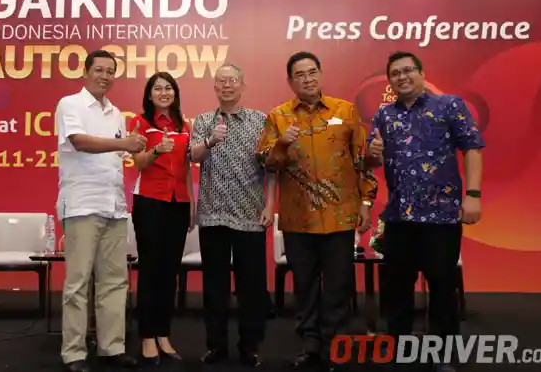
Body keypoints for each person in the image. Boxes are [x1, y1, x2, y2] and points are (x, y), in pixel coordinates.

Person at [257, 51, 378, 371]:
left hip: (340, 214)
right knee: (306, 285)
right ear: (290, 81)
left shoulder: (345, 111)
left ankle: (335, 344)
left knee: (339, 284)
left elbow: (362, 161)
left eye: (312, 72)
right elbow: (267, 164)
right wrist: (281, 144)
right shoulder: (279, 116)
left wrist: (366, 202)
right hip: (298, 218)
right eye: (300, 75)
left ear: (320, 74)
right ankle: (310, 345)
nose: (307, 79)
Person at [367, 51, 484, 372]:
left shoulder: (449, 105)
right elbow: (372, 162)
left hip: (441, 216)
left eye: (408, 70)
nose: (402, 77)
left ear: (421, 73)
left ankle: (442, 354)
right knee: (396, 289)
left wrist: (473, 195)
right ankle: (398, 350)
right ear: (389, 81)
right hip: (398, 217)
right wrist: (373, 154)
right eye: (395, 73)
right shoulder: (384, 115)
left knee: (442, 287)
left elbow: (472, 148)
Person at [55, 50, 146, 372]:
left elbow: (121, 157)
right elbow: (79, 142)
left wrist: (144, 151)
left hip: (114, 206)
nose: (105, 76)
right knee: (78, 283)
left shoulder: (116, 113)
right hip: (82, 203)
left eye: (110, 71)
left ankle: (112, 347)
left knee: (115, 281)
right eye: (99, 70)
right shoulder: (70, 104)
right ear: (86, 71)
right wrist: (124, 144)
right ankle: (74, 353)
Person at [189, 64, 275, 367]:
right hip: (213, 214)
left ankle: (250, 346)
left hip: (250, 213)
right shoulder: (203, 120)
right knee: (215, 286)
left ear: (242, 86)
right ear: (215, 87)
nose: (227, 85)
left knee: (251, 286)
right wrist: (211, 140)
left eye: (233, 80)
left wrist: (271, 205)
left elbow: (271, 166)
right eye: (221, 81)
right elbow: (193, 156)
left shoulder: (260, 120)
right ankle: (216, 346)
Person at [129, 72, 195, 365]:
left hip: (178, 203)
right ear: (149, 94)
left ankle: (163, 333)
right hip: (150, 202)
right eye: (158, 88)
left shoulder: (184, 125)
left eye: (169, 88)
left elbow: (187, 169)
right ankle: (146, 335)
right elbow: (138, 163)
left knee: (170, 272)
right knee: (151, 269)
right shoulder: (141, 123)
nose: (164, 92)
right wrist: (156, 150)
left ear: (175, 93)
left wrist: (191, 203)